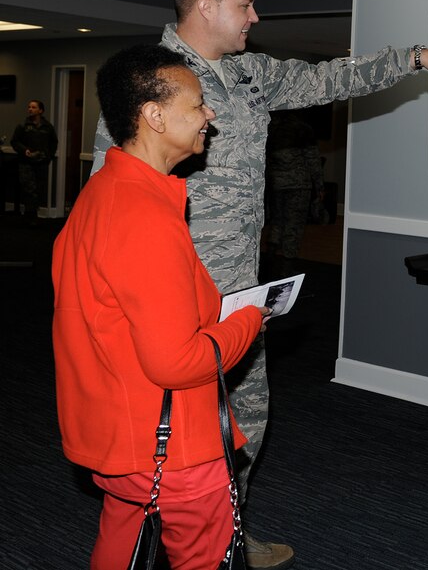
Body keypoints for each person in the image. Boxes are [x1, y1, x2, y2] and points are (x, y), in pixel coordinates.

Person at [90, 0, 428, 569]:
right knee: (167, 444)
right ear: (205, 5)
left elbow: (332, 79)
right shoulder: (144, 87)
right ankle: (166, 544)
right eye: (245, 4)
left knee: (245, 424)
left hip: (239, 290)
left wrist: (418, 59)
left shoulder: (251, 75)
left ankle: (228, 531)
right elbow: (112, 200)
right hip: (170, 300)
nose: (255, 17)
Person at [54, 44, 266, 569]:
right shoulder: (143, 213)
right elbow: (177, 362)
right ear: (153, 115)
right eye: (196, 104)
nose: (208, 115)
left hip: (121, 429)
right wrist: (250, 319)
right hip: (170, 442)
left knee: (122, 540)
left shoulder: (105, 189)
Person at [265, 110, 324, 265]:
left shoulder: (271, 127)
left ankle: (269, 258)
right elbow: (313, 160)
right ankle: (288, 263)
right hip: (299, 184)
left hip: (276, 183)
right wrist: (319, 185)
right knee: (294, 223)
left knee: (277, 220)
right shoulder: (302, 129)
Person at [11, 98, 58, 223]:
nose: (30, 109)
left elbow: (54, 142)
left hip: (41, 162)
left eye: (33, 107)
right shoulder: (22, 125)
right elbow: (14, 141)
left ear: (40, 110)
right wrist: (24, 150)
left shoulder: (47, 127)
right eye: (29, 107)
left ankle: (34, 214)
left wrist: (49, 156)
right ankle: (29, 215)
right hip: (26, 162)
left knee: (38, 188)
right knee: (28, 188)